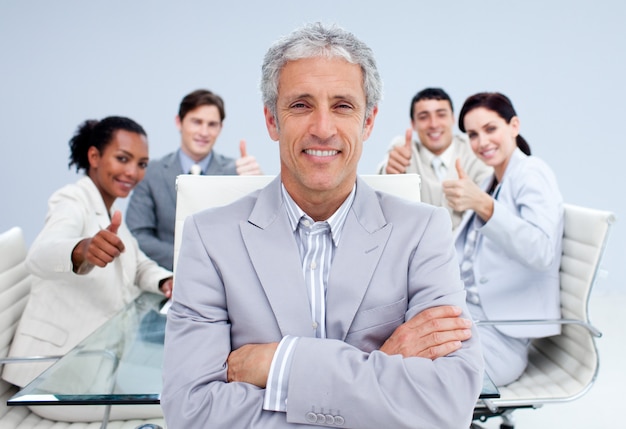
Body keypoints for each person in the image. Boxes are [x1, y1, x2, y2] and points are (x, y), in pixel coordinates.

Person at [161, 23, 483, 428]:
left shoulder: (423, 232)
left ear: (368, 122)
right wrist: (380, 367)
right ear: (271, 120)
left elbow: (448, 405)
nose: (323, 128)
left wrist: (279, 362)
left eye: (343, 106)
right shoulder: (209, 238)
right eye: (300, 105)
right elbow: (191, 413)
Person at [3, 116, 173, 392]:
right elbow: (40, 254)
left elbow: (139, 264)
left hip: (94, 362)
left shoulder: (110, 213)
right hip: (48, 377)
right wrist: (81, 249)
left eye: (141, 164)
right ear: (94, 156)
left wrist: (166, 281)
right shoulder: (71, 200)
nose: (133, 172)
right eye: (122, 158)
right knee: (173, 403)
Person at [442, 92, 563, 386]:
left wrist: (483, 205)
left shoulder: (532, 173)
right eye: (472, 134)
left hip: (501, 334)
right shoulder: (491, 180)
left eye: (490, 129)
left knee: (413, 374)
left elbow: (542, 251)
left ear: (514, 126)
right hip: (471, 320)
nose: (482, 142)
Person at [126, 89, 263, 271]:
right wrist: (190, 258)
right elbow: (137, 236)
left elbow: (257, 235)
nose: (204, 132)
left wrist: (259, 186)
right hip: (166, 280)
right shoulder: (152, 172)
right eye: (197, 122)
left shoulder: (238, 172)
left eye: (212, 124)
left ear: (220, 129)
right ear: (179, 122)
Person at [377, 88, 492, 229]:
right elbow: (381, 192)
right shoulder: (403, 150)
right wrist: (389, 172)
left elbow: (491, 199)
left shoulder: (474, 149)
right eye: (424, 117)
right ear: (413, 124)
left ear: (453, 118)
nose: (433, 124)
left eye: (441, 115)